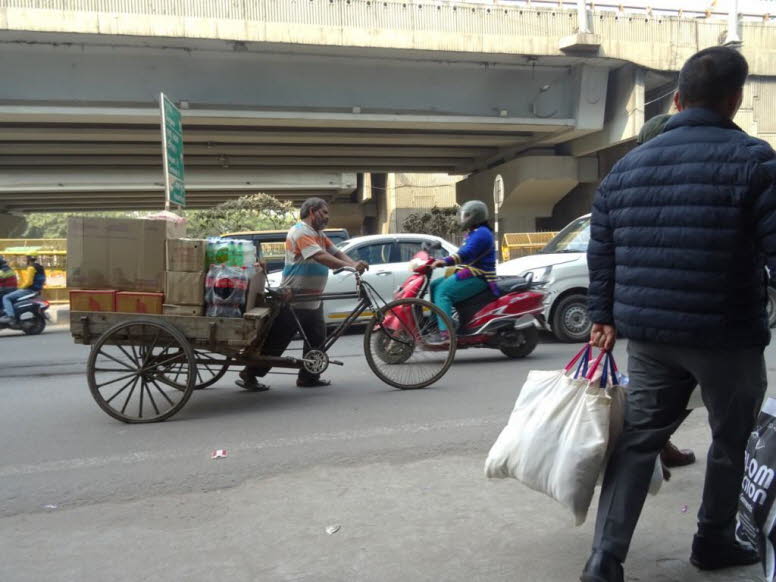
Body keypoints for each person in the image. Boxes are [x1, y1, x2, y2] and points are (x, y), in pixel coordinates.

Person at [582, 46, 776, 582]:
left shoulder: (624, 170)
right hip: (726, 335)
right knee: (730, 438)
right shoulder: (756, 160)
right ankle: (713, 539)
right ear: (735, 100)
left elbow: (602, 251)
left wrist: (603, 312)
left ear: (679, 98)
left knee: (639, 438)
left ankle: (604, 559)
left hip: (648, 335)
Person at [236, 198, 368, 391]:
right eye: (324, 213)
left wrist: (354, 265)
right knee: (278, 340)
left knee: (317, 339)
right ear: (312, 211)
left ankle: (308, 377)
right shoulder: (300, 231)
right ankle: (249, 374)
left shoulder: (319, 234)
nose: (327, 217)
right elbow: (320, 256)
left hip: (313, 298)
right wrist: (351, 266)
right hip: (295, 297)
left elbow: (336, 253)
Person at [634, 114, 698, 477]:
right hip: (691, 316)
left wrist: (605, 316)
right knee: (696, 390)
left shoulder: (624, 182)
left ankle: (657, 448)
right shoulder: (688, 181)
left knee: (654, 401)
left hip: (644, 320)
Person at [430, 200, 498, 341]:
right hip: (470, 273)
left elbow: (466, 253)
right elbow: (462, 252)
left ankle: (445, 333)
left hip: (480, 276)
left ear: (475, 216)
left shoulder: (482, 233)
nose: (463, 219)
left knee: (443, 293)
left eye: (467, 216)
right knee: (434, 285)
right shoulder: (474, 233)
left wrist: (445, 262)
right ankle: (435, 324)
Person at [0, 256, 45, 324]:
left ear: (29, 259)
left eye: (26, 258)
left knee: (6, 298)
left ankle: (10, 316)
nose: (25, 259)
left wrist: (21, 288)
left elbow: (29, 282)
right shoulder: (40, 267)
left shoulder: (31, 268)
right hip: (36, 289)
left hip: (29, 290)